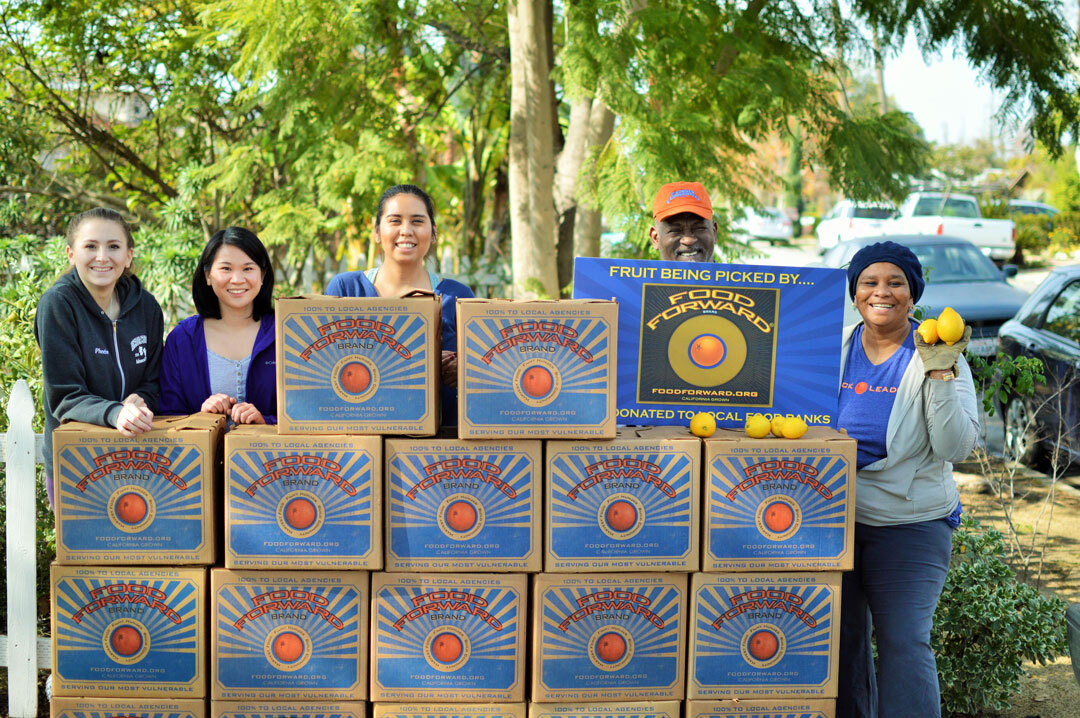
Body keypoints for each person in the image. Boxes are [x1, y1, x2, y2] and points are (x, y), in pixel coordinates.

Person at [836, 241, 978, 718]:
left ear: (912, 293)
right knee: (841, 646)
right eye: (869, 282)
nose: (882, 292)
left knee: (904, 644)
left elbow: (957, 448)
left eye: (895, 282)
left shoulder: (940, 351)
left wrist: (940, 377)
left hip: (909, 522)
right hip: (832, 519)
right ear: (855, 293)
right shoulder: (833, 347)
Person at [35, 207, 164, 508]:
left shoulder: (146, 307)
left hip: (139, 458)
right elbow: (65, 396)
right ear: (71, 254)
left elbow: (156, 379)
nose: (102, 257)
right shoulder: (58, 305)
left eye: (114, 246)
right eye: (90, 246)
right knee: (87, 556)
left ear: (129, 256)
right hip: (78, 463)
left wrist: (141, 398)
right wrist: (115, 413)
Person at [326, 184, 473, 425]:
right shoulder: (346, 290)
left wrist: (465, 370)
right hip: (362, 440)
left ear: (433, 232)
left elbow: (481, 375)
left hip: (438, 446)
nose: (406, 231)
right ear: (376, 231)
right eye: (395, 220)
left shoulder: (457, 296)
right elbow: (324, 368)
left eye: (417, 221)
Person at [160, 227, 276, 424]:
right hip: (200, 455)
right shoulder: (182, 339)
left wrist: (265, 422)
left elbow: (307, 413)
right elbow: (166, 418)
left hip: (274, 455)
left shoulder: (286, 333)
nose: (237, 279)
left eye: (248, 268)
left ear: (263, 275)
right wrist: (201, 417)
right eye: (226, 268)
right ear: (207, 275)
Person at [649, 181, 718, 262]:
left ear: (714, 232)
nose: (688, 240)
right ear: (655, 238)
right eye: (675, 230)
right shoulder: (635, 273)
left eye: (699, 228)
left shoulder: (734, 274)